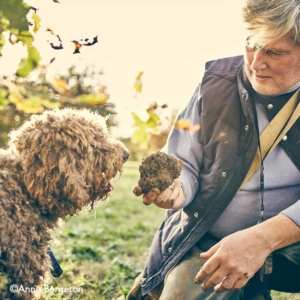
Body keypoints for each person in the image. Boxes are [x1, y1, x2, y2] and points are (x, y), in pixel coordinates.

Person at [127, 0, 300, 299]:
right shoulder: (214, 83)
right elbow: (185, 164)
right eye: (252, 44)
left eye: (274, 51)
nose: (256, 62)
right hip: (210, 241)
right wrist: (176, 188)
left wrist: (261, 240)